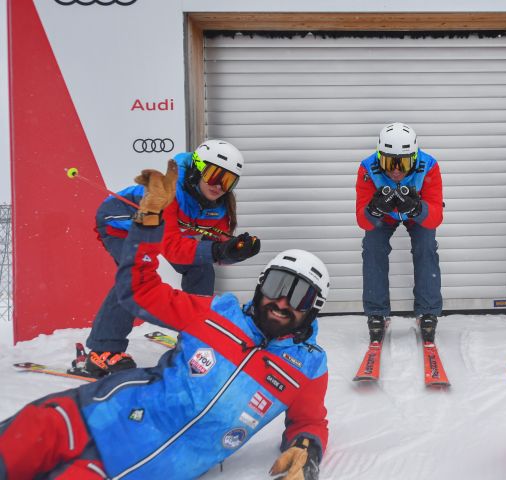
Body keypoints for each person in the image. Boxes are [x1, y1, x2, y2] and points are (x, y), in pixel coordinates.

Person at [0, 161, 329, 480]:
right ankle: (104, 345)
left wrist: (307, 446)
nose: (282, 302)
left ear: (313, 308)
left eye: (299, 296)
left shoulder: (307, 367)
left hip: (124, 467)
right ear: (260, 287)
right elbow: (139, 290)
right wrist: (146, 227)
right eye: (276, 286)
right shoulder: (215, 313)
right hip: (79, 418)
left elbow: (309, 422)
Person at [86, 139, 261, 377]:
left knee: (201, 269)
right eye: (214, 174)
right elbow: (169, 247)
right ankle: (102, 350)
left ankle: (195, 333)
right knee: (134, 277)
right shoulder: (171, 192)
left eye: (228, 180)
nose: (219, 185)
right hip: (121, 226)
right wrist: (218, 251)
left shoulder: (219, 207)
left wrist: (235, 252)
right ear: (198, 168)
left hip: (164, 233)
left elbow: (216, 249)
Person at [355, 122, 444, 343]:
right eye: (388, 162)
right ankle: (377, 311)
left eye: (402, 163)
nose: (395, 170)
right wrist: (373, 210)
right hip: (384, 214)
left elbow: (435, 217)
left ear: (414, 158)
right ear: (379, 157)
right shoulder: (367, 168)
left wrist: (417, 208)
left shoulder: (430, 166)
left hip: (416, 211)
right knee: (373, 247)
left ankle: (428, 311)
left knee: (426, 247)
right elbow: (362, 221)